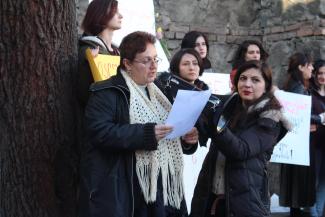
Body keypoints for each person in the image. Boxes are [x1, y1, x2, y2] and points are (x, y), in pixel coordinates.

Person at [79, 31, 199, 217]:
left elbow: (168, 133)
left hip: (163, 192)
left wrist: (186, 139)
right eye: (146, 61)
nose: (153, 67)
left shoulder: (160, 90)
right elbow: (99, 132)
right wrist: (146, 134)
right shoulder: (107, 92)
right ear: (127, 64)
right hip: (128, 192)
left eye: (155, 60)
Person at [189, 60, 290, 217]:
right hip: (209, 199)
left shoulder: (271, 117)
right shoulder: (227, 105)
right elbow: (202, 133)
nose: (247, 84)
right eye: (243, 78)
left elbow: (241, 150)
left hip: (245, 204)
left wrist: (216, 124)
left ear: (266, 86)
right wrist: (191, 135)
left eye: (255, 80)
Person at [279, 52, 325, 217]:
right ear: (301, 67)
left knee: (297, 194)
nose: (312, 68)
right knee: (298, 193)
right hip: (299, 145)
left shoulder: (295, 84)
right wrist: (319, 118)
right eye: (310, 65)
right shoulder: (298, 87)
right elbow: (299, 114)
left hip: (298, 144)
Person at [77, 0, 123, 108]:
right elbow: (83, 94)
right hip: (102, 117)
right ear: (101, 14)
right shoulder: (87, 50)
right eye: (115, 12)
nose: (121, 16)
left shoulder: (119, 51)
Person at [310, 59, 325, 217]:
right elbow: (306, 117)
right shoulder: (310, 93)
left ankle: (319, 213)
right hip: (314, 145)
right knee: (313, 182)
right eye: (320, 73)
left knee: (324, 183)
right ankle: (313, 214)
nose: (323, 76)